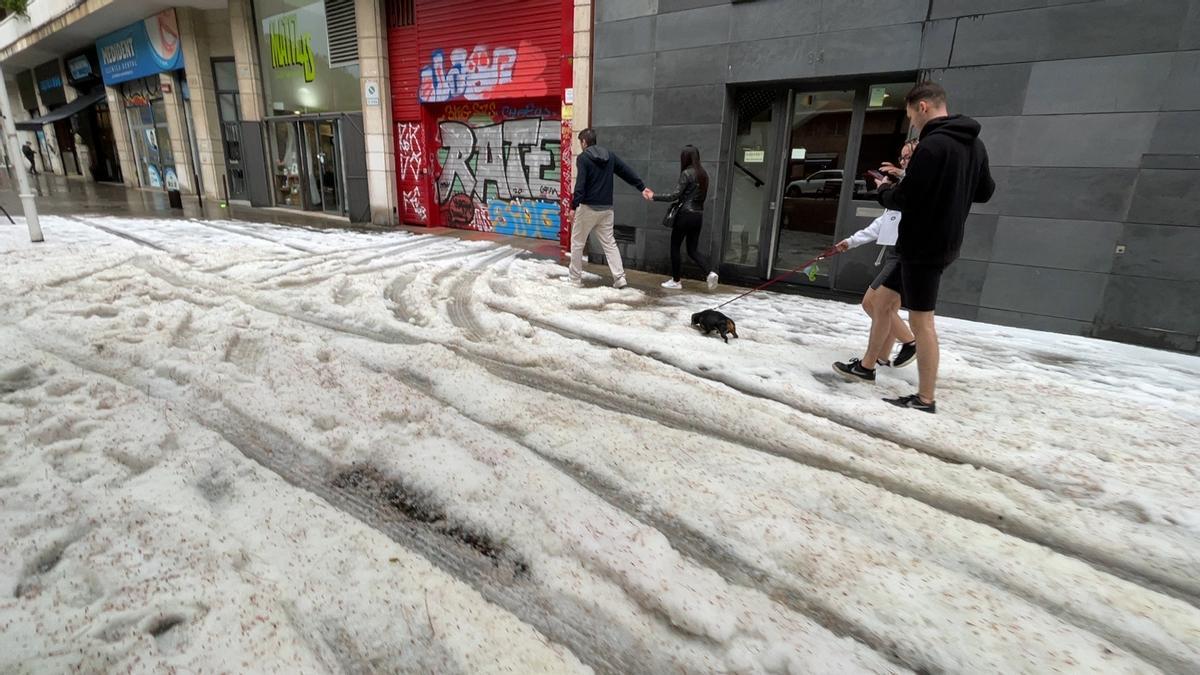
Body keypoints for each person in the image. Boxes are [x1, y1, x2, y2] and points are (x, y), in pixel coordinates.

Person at [837, 82, 994, 414]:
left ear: (922, 107)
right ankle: (867, 367)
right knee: (879, 303)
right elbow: (984, 192)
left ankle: (925, 399)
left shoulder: (932, 145)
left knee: (922, 323)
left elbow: (906, 199)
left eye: (911, 115)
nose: (912, 123)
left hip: (924, 246)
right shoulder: (974, 145)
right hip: (940, 242)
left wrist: (883, 190)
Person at [834, 140, 919, 371]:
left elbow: (915, 187)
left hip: (905, 255)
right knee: (885, 309)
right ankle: (880, 357)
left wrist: (897, 179)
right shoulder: (901, 189)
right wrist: (850, 242)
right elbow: (881, 224)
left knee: (874, 304)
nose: (902, 163)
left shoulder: (915, 187)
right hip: (895, 253)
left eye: (908, 157)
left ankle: (910, 342)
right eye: (901, 158)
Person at [568, 128, 651, 289]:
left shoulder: (583, 158)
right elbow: (626, 171)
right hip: (606, 209)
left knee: (577, 242)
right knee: (609, 243)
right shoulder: (610, 156)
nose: (580, 145)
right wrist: (642, 187)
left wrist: (573, 206)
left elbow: (580, 184)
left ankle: (574, 280)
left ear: (584, 142)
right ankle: (619, 279)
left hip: (588, 208)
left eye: (580, 142)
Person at [648, 145, 719, 291]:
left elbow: (675, 195)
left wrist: (653, 196)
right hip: (698, 215)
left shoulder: (687, 173)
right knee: (693, 250)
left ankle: (676, 281)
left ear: (685, 158)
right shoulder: (703, 174)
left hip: (685, 215)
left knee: (675, 247)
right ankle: (710, 272)